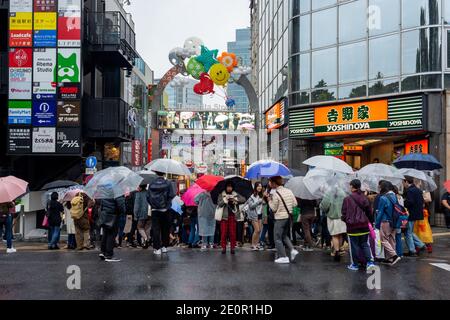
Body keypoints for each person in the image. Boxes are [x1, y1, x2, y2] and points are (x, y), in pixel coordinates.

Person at [341, 179, 376, 271]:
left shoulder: (347, 199)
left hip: (352, 226)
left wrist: (347, 220)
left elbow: (343, 213)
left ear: (352, 186)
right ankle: (369, 262)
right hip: (364, 225)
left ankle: (355, 264)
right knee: (365, 244)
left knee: (354, 245)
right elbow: (369, 212)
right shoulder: (365, 198)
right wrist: (370, 222)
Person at [267, 176, 299, 264]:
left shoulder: (276, 194)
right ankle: (292, 250)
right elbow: (295, 203)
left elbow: (273, 208)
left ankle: (283, 256)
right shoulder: (289, 191)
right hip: (288, 217)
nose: (269, 184)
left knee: (277, 238)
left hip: (280, 218)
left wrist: (269, 200)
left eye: (270, 182)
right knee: (284, 236)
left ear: (274, 183)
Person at [147, 171, 176, 255]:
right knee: (165, 229)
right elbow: (172, 195)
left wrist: (152, 205)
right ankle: (164, 247)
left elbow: (148, 196)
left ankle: (157, 248)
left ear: (156, 174)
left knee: (156, 229)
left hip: (155, 210)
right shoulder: (168, 183)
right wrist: (167, 204)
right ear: (163, 174)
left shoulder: (151, 184)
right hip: (165, 209)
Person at [375, 181, 401, 266]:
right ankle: (390, 259)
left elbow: (380, 212)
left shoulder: (383, 198)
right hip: (394, 221)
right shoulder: (394, 196)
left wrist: (377, 224)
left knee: (384, 240)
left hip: (385, 221)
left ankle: (394, 255)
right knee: (392, 239)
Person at [217, 181, 246, 254]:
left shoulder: (235, 194)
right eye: (228, 186)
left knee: (232, 233)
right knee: (223, 233)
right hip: (224, 217)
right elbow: (219, 204)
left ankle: (232, 248)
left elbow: (244, 199)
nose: (229, 188)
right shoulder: (222, 194)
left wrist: (235, 200)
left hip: (233, 216)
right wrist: (225, 199)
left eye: (230, 187)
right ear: (226, 187)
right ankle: (223, 248)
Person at [320, 187, 347, 261]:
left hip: (332, 217)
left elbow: (324, 206)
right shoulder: (343, 193)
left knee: (334, 235)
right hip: (342, 217)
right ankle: (339, 249)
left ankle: (336, 252)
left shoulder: (329, 193)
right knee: (340, 234)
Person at [98, 195, 126, 262]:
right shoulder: (117, 191)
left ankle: (103, 252)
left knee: (105, 234)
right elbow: (121, 205)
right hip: (113, 215)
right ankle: (109, 255)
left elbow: (101, 204)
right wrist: (123, 211)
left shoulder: (105, 191)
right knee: (111, 235)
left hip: (105, 214)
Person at [403, 177, 426, 256]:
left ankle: (412, 251)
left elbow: (410, 202)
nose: (403, 184)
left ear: (406, 182)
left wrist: (404, 202)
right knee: (410, 231)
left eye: (403, 182)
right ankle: (421, 245)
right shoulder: (417, 190)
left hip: (411, 213)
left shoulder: (410, 190)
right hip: (417, 213)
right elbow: (422, 201)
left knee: (408, 232)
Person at [246, 182, 264, 251]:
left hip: (260, 214)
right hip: (254, 215)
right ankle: (253, 244)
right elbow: (251, 206)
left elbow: (262, 204)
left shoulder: (261, 195)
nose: (260, 187)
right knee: (257, 230)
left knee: (259, 231)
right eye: (258, 186)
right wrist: (258, 202)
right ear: (255, 187)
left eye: (261, 186)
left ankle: (256, 244)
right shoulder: (252, 196)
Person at [134, 185, 152, 249]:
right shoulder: (150, 193)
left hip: (142, 213)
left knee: (140, 227)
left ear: (140, 186)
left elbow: (136, 206)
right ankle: (145, 242)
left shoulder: (138, 194)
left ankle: (145, 238)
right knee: (147, 228)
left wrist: (135, 215)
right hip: (150, 213)